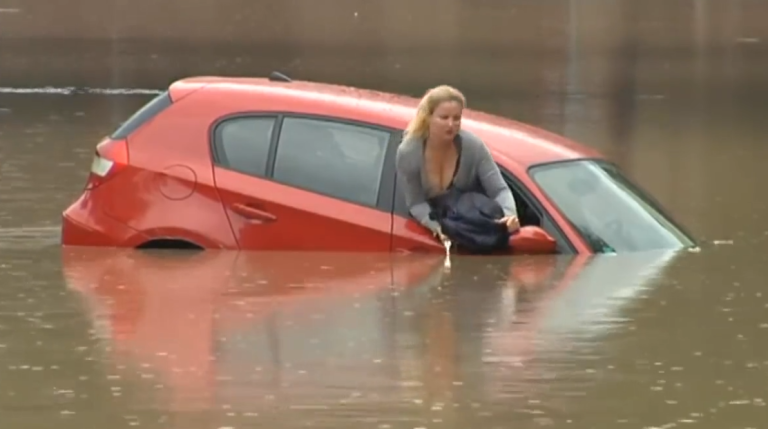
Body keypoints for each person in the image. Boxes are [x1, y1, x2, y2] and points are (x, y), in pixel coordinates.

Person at [396, 85, 520, 243]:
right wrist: (437, 229)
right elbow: (416, 202)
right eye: (444, 117)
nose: (451, 124)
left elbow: (499, 189)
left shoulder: (473, 147)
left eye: (456, 118)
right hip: (428, 232)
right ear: (428, 117)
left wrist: (510, 215)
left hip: (473, 223)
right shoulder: (409, 152)